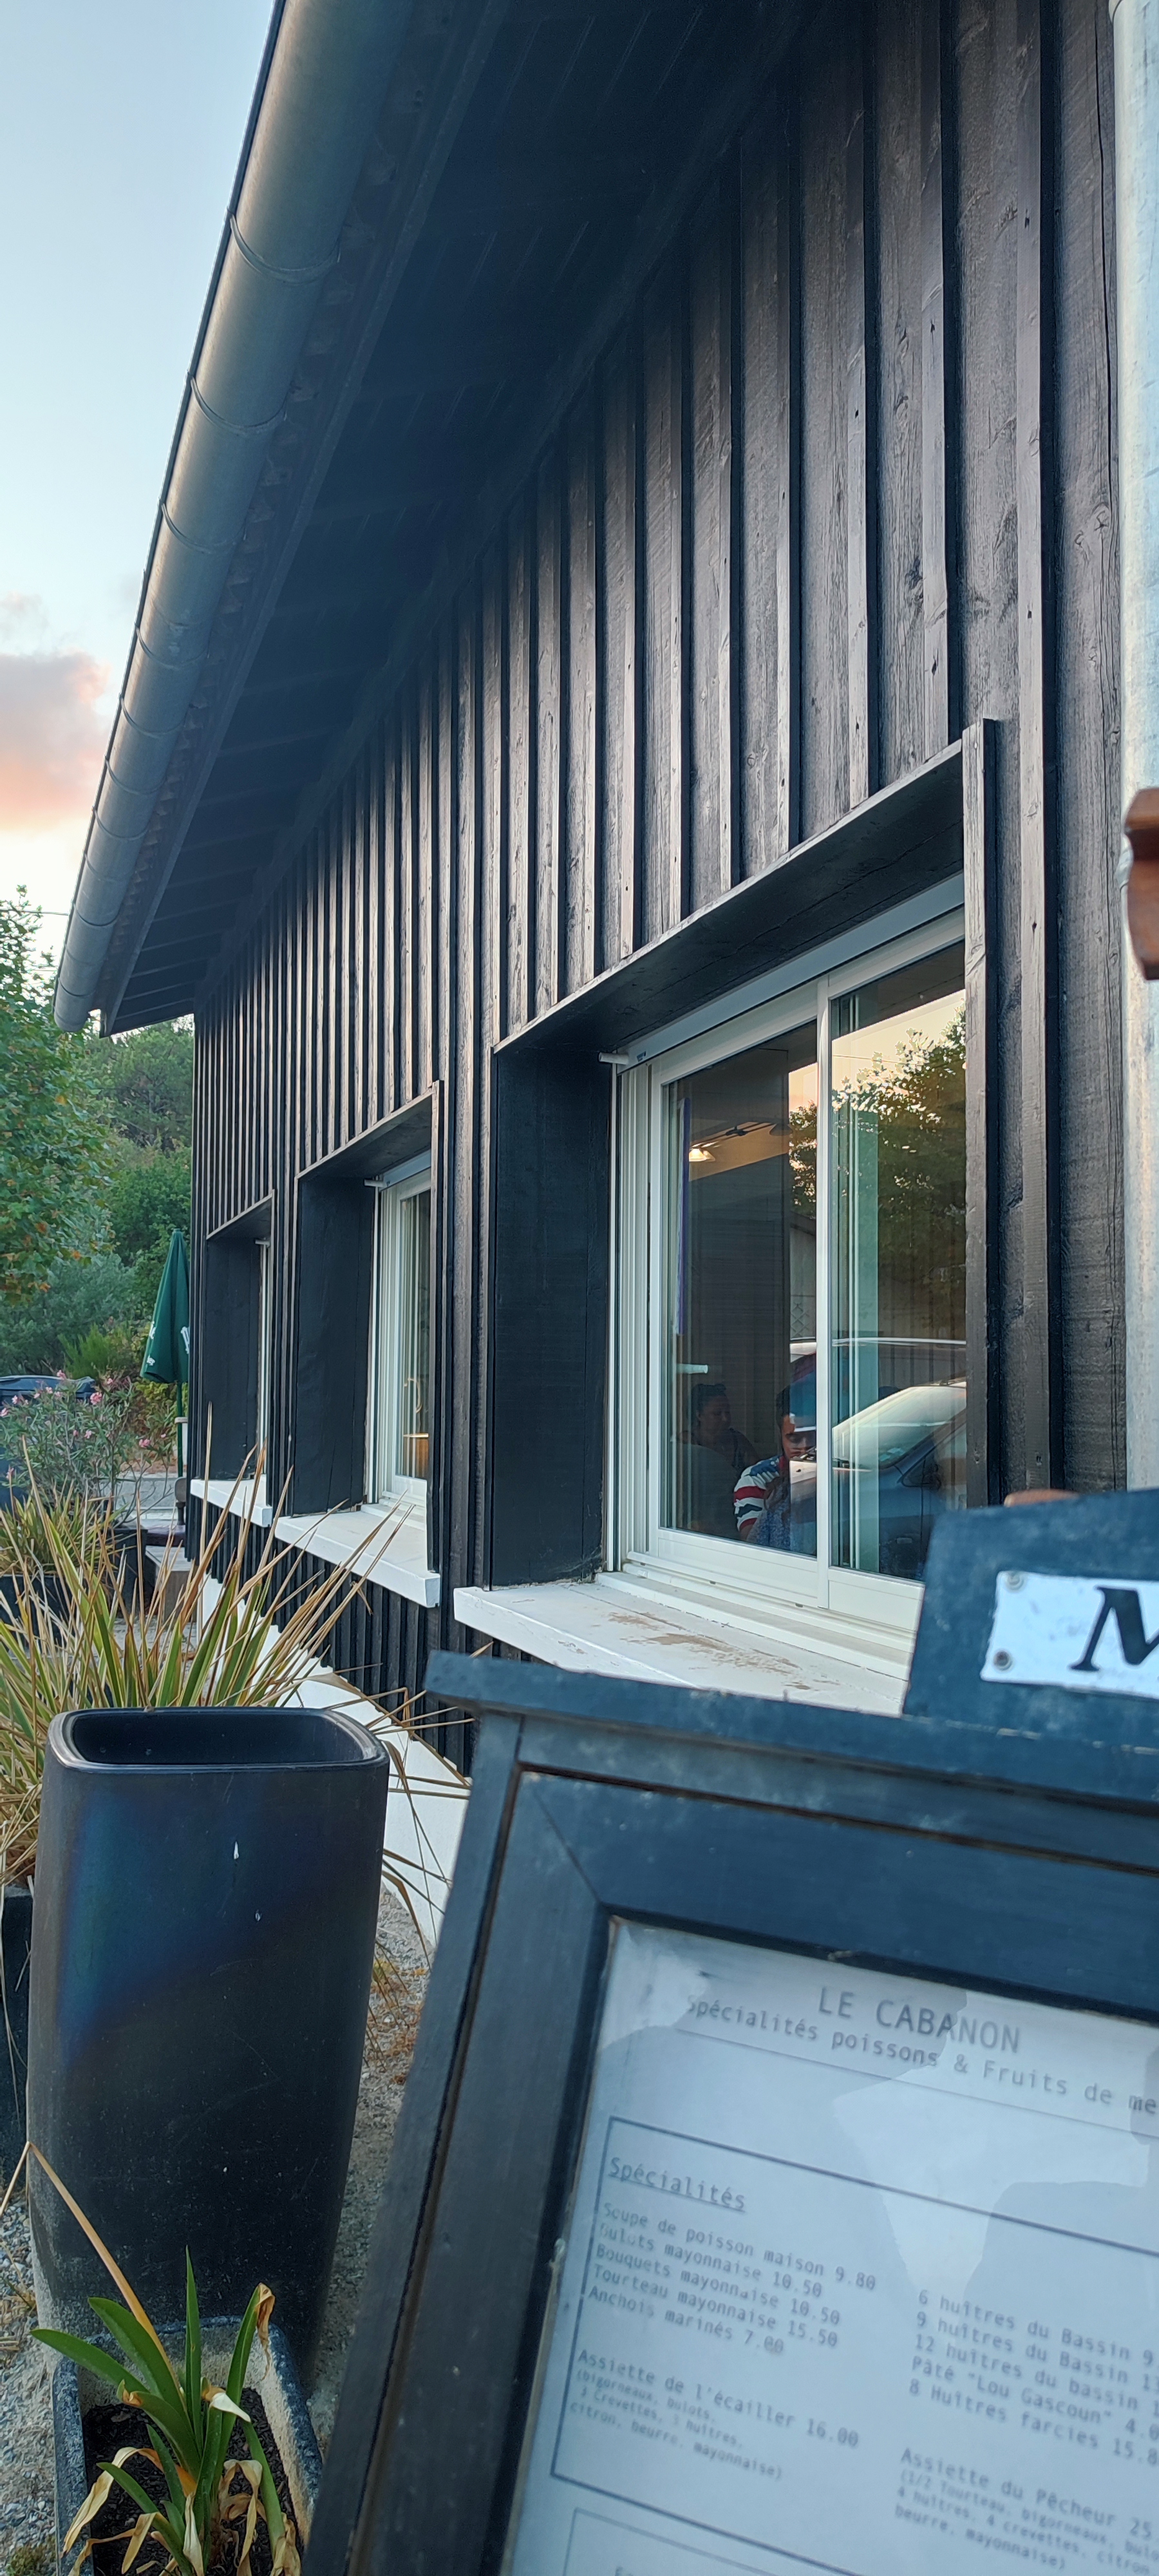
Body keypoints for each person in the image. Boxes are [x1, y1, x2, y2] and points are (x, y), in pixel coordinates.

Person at [681, 1381, 757, 1539]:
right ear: (699, 1415)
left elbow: (759, 1474)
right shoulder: (685, 1444)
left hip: (734, 1518)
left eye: (727, 1412)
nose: (725, 1419)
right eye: (717, 1414)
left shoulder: (738, 1441)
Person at [733, 1409, 811, 1549]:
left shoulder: (843, 1475)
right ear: (781, 1438)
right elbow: (755, 1549)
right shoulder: (757, 1480)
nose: (805, 1448)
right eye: (795, 1439)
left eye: (813, 1437)